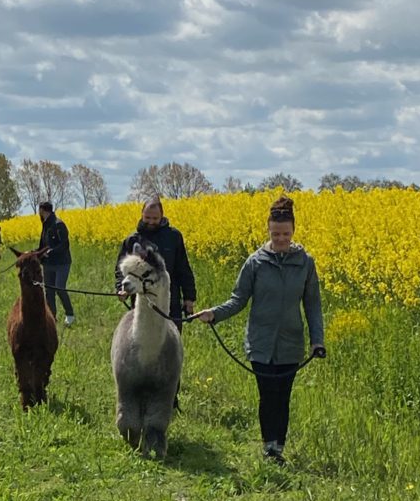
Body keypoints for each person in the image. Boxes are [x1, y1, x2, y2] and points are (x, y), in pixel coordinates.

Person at [193, 195, 325, 464]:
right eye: (276, 233)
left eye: (286, 234)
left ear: (294, 231)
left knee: (283, 397)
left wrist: (317, 341)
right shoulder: (255, 262)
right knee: (267, 395)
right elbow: (238, 299)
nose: (281, 239)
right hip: (261, 344)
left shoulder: (305, 263)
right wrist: (214, 314)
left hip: (291, 343)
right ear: (268, 230)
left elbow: (312, 305)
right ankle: (270, 448)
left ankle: (278, 447)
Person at [115, 197, 196, 331]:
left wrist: (189, 298)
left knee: (170, 346)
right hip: (141, 303)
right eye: (147, 218)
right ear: (142, 215)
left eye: (155, 218)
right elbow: (120, 269)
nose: (151, 222)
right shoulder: (132, 240)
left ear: (162, 216)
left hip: (171, 302)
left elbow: (183, 268)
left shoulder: (173, 237)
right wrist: (120, 288)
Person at [38, 200, 75, 326]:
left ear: (42, 211)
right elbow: (42, 245)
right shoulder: (45, 225)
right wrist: (34, 253)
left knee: (59, 288)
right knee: (49, 291)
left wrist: (50, 252)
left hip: (62, 263)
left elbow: (64, 245)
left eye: (40, 210)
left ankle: (69, 314)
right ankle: (51, 317)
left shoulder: (59, 224)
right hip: (48, 263)